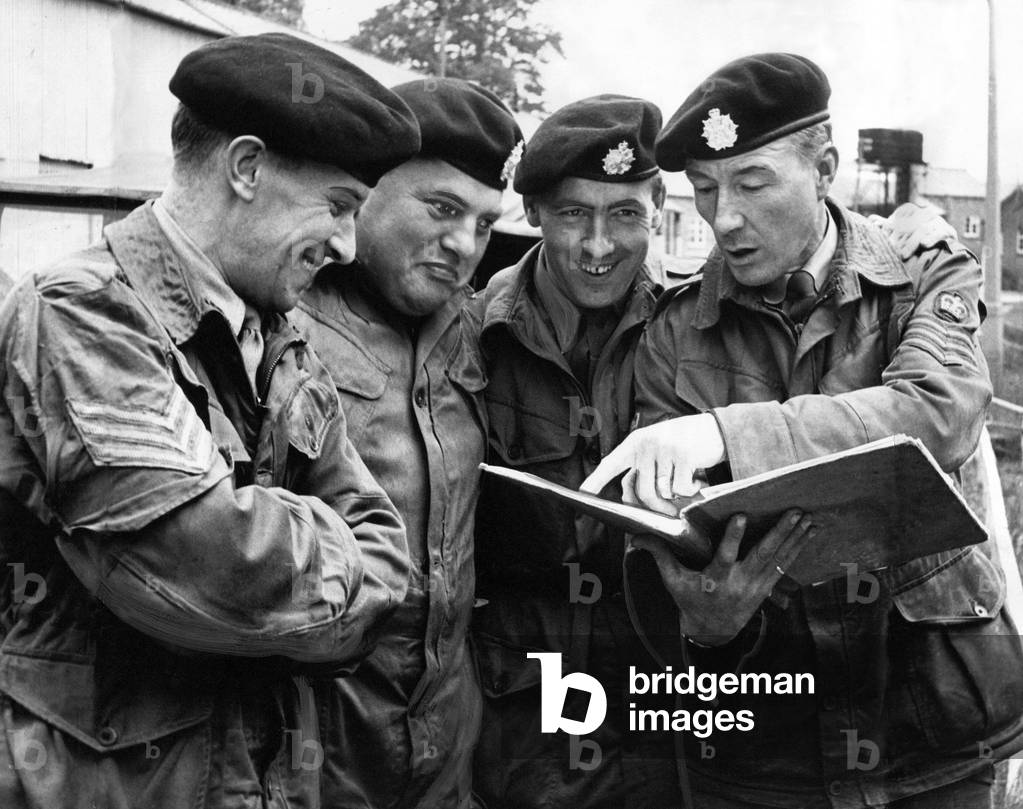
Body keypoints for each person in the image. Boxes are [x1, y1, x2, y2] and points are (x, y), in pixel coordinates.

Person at [583, 52, 1023, 808]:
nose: (723, 218)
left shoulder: (924, 276)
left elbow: (936, 414)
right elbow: (654, 537)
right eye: (706, 189)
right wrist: (704, 622)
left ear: (824, 168)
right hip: (765, 755)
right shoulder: (673, 330)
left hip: (935, 733)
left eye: (752, 184)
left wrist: (720, 434)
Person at [0, 33, 419, 809]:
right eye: (337, 206)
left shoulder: (279, 335)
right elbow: (202, 570)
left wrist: (278, 541)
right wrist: (319, 551)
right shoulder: (83, 313)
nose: (347, 243)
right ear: (247, 167)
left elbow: (389, 549)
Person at [294, 78, 522, 808]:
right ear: (366, 192)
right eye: (442, 208)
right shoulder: (285, 316)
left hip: (445, 749)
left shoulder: (476, 327)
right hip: (312, 749)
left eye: (484, 224)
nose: (464, 246)